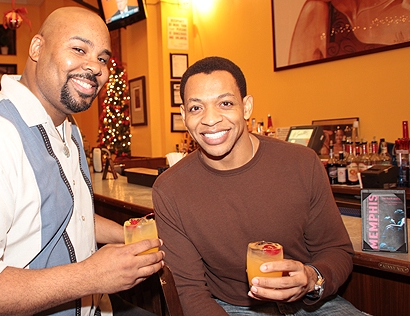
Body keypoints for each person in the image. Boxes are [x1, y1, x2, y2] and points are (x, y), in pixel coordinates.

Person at [0, 7, 164, 316]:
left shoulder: (67, 129)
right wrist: (93, 275)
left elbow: (64, 214)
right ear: (36, 48)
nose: (95, 67)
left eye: (102, 58)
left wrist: (131, 234)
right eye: (78, 49)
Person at [152, 56, 363, 315]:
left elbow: (336, 251)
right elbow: (190, 292)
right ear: (184, 116)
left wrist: (311, 278)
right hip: (234, 308)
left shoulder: (301, 163)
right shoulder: (170, 189)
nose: (210, 119)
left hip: (313, 304)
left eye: (225, 103)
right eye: (196, 108)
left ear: (247, 107)